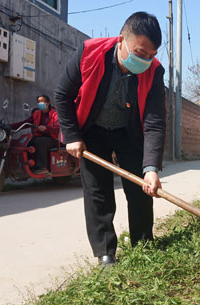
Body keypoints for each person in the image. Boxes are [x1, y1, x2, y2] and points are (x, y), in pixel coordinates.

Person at [54, 12, 166, 267]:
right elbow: (62, 95)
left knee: (140, 189)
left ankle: (143, 244)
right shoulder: (89, 53)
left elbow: (155, 121)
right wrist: (72, 136)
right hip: (93, 131)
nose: (146, 60)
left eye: (151, 55)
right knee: (98, 192)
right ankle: (105, 253)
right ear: (121, 41)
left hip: (129, 132)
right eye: (140, 52)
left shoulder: (155, 71)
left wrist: (150, 169)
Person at [11, 95, 59, 174]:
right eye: (39, 102)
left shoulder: (55, 114)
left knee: (39, 142)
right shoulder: (37, 114)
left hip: (53, 139)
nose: (40, 103)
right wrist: (10, 126)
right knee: (28, 144)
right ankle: (30, 165)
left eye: (42, 101)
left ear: (48, 103)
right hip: (38, 138)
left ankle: (42, 167)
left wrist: (46, 129)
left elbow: (58, 129)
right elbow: (25, 123)